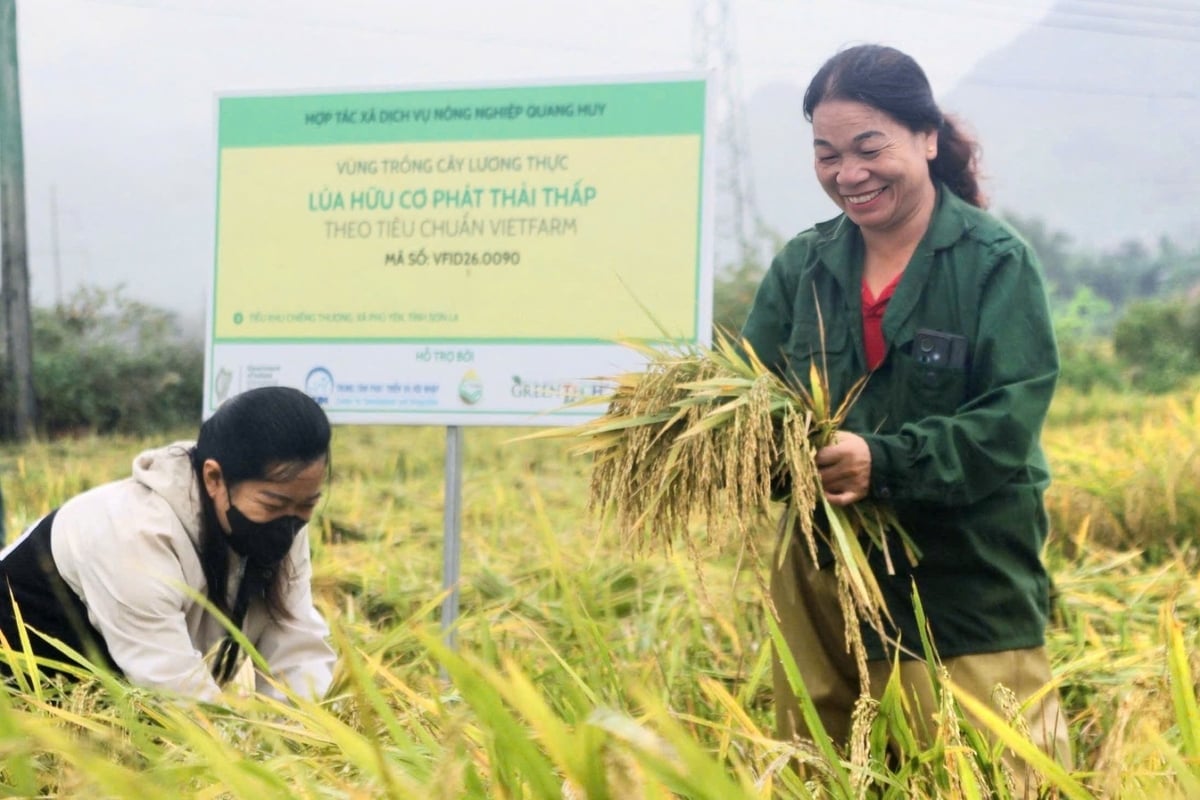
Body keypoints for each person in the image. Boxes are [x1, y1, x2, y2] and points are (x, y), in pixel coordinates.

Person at [739, 44, 1072, 788]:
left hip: (960, 577)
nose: (847, 174)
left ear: (926, 137)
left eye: (868, 147)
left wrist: (883, 462)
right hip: (824, 579)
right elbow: (749, 394)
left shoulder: (993, 262)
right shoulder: (804, 269)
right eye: (826, 154)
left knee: (988, 772)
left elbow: (1006, 425)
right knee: (828, 769)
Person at [0, 385, 336, 702]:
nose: (290, 522)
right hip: (20, 691)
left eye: (307, 505)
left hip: (111, 681)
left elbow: (295, 637)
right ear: (214, 478)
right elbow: (175, 690)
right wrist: (243, 754)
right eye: (273, 505)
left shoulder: (278, 521)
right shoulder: (132, 535)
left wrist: (297, 733)